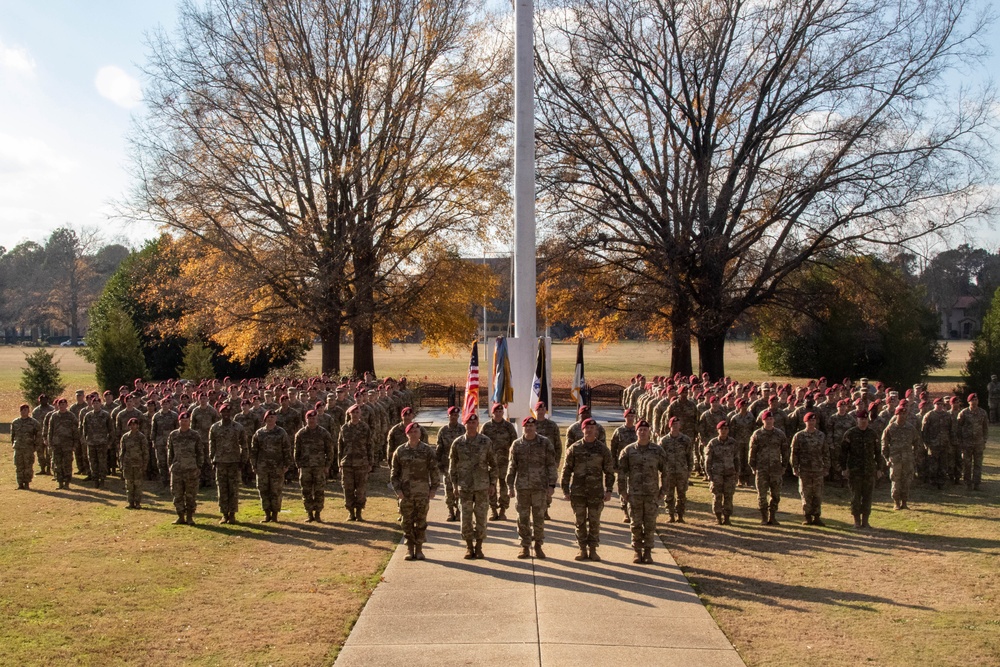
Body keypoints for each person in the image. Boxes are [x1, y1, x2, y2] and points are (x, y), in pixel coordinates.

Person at [561, 418, 615, 562]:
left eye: (592, 428)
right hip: (578, 492)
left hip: (595, 492)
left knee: (594, 521)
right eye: (587, 428)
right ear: (582, 430)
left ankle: (593, 549)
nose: (589, 430)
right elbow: (566, 470)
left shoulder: (603, 449)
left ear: (596, 430)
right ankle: (582, 549)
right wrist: (565, 490)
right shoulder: (574, 448)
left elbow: (609, 471)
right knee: (579, 522)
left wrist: (609, 490)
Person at [507, 416, 558, 559]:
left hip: (540, 488)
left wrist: (552, 485)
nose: (529, 428)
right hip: (522, 488)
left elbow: (551, 464)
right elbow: (512, 466)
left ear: (536, 427)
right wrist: (510, 485)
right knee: (522, 518)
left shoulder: (545, 443)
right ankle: (525, 546)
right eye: (527, 426)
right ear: (523, 428)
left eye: (532, 426)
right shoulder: (517, 445)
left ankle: (538, 546)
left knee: (539, 518)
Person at [449, 412, 498, 560]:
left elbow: (493, 464)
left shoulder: (486, 442)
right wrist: (454, 485)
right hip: (464, 487)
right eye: (469, 423)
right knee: (466, 518)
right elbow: (452, 466)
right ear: (464, 424)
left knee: (481, 517)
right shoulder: (457, 443)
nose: (471, 425)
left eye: (474, 422)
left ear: (477, 424)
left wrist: (492, 483)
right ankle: (469, 547)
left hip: (482, 486)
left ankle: (479, 547)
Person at [618, 419, 667, 564]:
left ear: (649, 432)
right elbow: (621, 473)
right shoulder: (628, 451)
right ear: (636, 432)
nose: (643, 432)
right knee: (636, 524)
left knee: (650, 524)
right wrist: (622, 491)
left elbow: (665, 471)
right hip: (634, 494)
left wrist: (663, 490)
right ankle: (637, 551)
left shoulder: (658, 451)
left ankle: (648, 552)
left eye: (645, 430)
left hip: (652, 494)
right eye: (640, 430)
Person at [391, 422, 440, 561]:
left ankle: (419, 549)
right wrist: (398, 490)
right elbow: (394, 473)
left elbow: (434, 470)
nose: (414, 434)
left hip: (422, 492)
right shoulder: (400, 451)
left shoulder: (427, 450)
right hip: (405, 493)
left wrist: (433, 488)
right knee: (406, 522)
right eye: (411, 432)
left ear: (420, 434)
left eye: (416, 431)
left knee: (421, 522)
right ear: (407, 434)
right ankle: (409, 548)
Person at [840, 411, 885, 529]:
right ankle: (856, 521)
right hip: (855, 470)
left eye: (865, 419)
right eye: (861, 419)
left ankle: (865, 521)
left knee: (867, 496)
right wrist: (844, 468)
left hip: (869, 470)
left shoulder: (872, 434)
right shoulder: (850, 434)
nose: (863, 421)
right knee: (856, 496)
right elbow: (843, 453)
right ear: (857, 420)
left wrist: (879, 468)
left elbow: (878, 453)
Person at [250, 410, 293, 522]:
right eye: (268, 417)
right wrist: (254, 465)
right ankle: (267, 514)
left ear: (276, 419)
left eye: (272, 417)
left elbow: (287, 449)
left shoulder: (281, 432)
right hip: (262, 467)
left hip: (277, 467)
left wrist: (287, 464)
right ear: (265, 419)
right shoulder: (259, 433)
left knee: (276, 491)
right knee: (263, 490)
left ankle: (274, 514)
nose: (270, 419)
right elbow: (254, 451)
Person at [748, 410, 789, 525]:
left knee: (776, 494)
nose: (769, 421)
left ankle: (773, 516)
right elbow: (752, 452)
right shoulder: (757, 434)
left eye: (771, 419)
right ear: (763, 421)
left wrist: (784, 466)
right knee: (762, 494)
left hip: (776, 468)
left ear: (774, 420)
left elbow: (785, 451)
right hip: (762, 468)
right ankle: (764, 517)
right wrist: (753, 466)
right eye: (767, 419)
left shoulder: (780, 434)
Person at [294, 409, 336, 523]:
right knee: (306, 491)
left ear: (317, 419)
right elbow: (296, 452)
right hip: (305, 467)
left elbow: (330, 451)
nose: (311, 420)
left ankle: (317, 513)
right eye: (309, 419)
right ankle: (309, 513)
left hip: (319, 467)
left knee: (319, 491)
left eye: (313, 418)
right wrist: (298, 466)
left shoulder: (323, 433)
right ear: (306, 420)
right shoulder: (301, 434)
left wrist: (327, 465)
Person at [210, 404, 248, 524]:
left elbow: (244, 445)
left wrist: (243, 460)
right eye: (224, 412)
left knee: (233, 490)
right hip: (220, 462)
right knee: (222, 489)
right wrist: (212, 459)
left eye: (228, 412)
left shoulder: (238, 427)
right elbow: (212, 445)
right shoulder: (215, 427)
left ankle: (232, 514)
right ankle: (224, 514)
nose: (226, 414)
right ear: (220, 413)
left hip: (234, 462)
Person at [789, 412, 830, 525]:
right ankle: (807, 517)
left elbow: (826, 452)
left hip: (818, 469)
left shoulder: (821, 435)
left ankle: (816, 516)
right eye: (809, 421)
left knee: (817, 494)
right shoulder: (799, 436)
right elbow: (794, 453)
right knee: (805, 493)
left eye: (813, 420)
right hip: (804, 469)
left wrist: (826, 467)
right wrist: (795, 467)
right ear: (805, 422)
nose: (811, 423)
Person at [167, 412, 205, 525]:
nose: (184, 423)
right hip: (177, 470)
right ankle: (180, 516)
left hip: (191, 470)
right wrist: (170, 466)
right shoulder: (173, 435)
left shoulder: (195, 435)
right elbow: (170, 452)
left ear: (189, 422)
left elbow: (200, 452)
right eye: (182, 421)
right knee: (177, 494)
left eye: (186, 421)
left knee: (190, 495)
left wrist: (198, 466)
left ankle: (189, 517)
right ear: (179, 422)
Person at [481, 403, 517, 521]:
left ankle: (502, 510)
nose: (498, 413)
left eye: (500, 412)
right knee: (491, 486)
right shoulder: (486, 427)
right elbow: (480, 443)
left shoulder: (508, 427)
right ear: (492, 413)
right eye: (496, 411)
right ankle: (493, 510)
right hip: (490, 463)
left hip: (504, 462)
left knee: (504, 487)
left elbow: (514, 444)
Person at [339, 404, 373, 521]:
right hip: (347, 463)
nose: (355, 415)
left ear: (360, 414)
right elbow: (340, 446)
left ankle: (359, 512)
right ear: (349, 414)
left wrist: (370, 462)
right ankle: (350, 512)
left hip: (362, 463)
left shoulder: (365, 427)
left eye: (357, 412)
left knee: (360, 489)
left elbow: (369, 445)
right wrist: (339, 463)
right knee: (347, 489)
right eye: (353, 413)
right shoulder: (344, 428)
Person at [881, 406, 919, 510]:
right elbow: (884, 444)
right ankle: (896, 502)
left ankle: (905, 502)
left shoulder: (910, 428)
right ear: (896, 415)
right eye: (900, 414)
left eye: (904, 414)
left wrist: (914, 456)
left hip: (907, 459)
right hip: (895, 459)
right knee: (896, 481)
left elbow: (917, 442)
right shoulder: (890, 428)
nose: (902, 416)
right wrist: (887, 458)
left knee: (906, 481)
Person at [659, 416, 694, 523]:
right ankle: (671, 515)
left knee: (681, 495)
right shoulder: (664, 441)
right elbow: (660, 457)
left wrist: (689, 470)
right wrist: (661, 471)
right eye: (673, 424)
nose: (675, 426)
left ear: (680, 426)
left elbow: (689, 456)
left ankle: (680, 515)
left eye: (677, 424)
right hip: (668, 472)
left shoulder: (686, 440)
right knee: (669, 495)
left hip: (681, 472)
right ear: (669, 426)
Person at [704, 421, 740, 525]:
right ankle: (718, 517)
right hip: (717, 474)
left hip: (730, 473)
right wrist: (709, 474)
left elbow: (736, 459)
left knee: (729, 496)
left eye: (726, 429)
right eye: (721, 429)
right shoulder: (713, 443)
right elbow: (708, 461)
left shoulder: (733, 443)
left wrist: (737, 473)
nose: (724, 431)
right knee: (717, 496)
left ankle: (727, 518)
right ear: (718, 430)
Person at [435, 406, 464, 521]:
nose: (454, 417)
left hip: (460, 465)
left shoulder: (462, 429)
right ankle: (450, 511)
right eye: (452, 415)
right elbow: (439, 447)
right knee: (448, 489)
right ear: (448, 416)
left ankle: (459, 511)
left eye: (456, 415)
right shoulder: (443, 430)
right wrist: (437, 463)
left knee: (460, 488)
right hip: (447, 465)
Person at [533, 402, 563, 519]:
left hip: (548, 462)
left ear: (545, 410)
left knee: (547, 486)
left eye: (542, 409)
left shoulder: (552, 425)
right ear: (535, 411)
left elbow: (558, 444)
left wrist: (557, 460)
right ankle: (537, 510)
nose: (540, 412)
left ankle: (545, 509)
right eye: (538, 410)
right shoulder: (531, 424)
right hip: (534, 462)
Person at [609, 408, 638, 522]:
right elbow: (613, 449)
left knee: (635, 487)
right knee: (623, 487)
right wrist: (614, 463)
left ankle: (634, 511)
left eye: (632, 416)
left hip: (636, 463)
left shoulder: (638, 430)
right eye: (628, 416)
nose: (630, 418)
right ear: (624, 417)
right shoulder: (619, 431)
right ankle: (625, 511)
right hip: (622, 464)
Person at [46, 398, 80, 490]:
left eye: (64, 404)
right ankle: (60, 482)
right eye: (60, 405)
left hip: (68, 445)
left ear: (66, 405)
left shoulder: (71, 416)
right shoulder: (54, 416)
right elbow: (50, 431)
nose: (62, 406)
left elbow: (75, 431)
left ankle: (67, 483)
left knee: (67, 464)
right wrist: (50, 443)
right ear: (58, 405)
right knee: (58, 464)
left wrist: (75, 445)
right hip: (56, 444)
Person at [957, 393, 989, 491]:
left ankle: (976, 483)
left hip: (978, 443)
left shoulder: (983, 413)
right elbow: (958, 428)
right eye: (972, 400)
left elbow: (985, 427)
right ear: (969, 402)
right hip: (967, 443)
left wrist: (984, 440)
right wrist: (960, 441)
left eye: (976, 400)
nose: (974, 402)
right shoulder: (964, 413)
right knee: (967, 464)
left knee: (978, 464)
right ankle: (967, 483)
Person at [82, 396, 115, 489]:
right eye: (94, 403)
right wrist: (85, 440)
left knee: (102, 462)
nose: (96, 405)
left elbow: (111, 430)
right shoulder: (88, 416)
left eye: (97, 403)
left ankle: (102, 480)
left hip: (102, 443)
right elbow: (84, 429)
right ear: (92, 404)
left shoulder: (106, 415)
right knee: (92, 462)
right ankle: (95, 480)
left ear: (100, 404)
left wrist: (110, 442)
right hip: (91, 443)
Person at [119, 418, 150, 509]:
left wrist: (145, 465)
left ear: (137, 426)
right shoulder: (125, 437)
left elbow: (145, 452)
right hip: (128, 464)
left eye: (134, 425)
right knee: (129, 484)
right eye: (131, 425)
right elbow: (122, 451)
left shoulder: (141, 437)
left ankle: (138, 503)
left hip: (138, 464)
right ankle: (130, 502)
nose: (133, 426)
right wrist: (121, 464)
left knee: (138, 484)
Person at [11, 404, 42, 490]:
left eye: (25, 410)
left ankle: (27, 483)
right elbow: (13, 435)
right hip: (18, 448)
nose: (24, 412)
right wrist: (14, 444)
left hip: (28, 448)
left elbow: (38, 435)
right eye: (22, 410)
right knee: (19, 465)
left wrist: (35, 445)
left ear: (28, 411)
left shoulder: (34, 422)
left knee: (28, 466)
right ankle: (20, 483)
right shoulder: (15, 422)